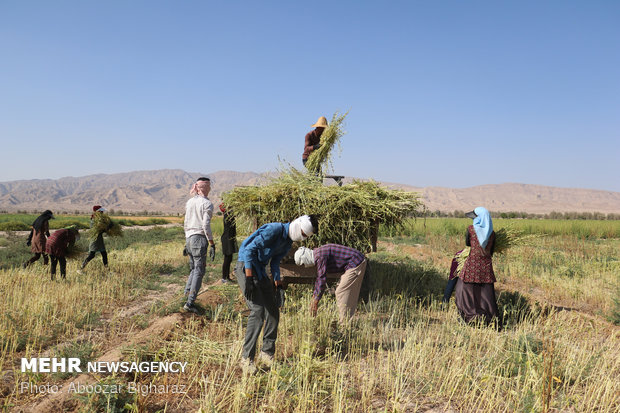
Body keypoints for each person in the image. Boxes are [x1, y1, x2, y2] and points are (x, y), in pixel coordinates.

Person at [235, 214, 319, 372]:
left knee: (273, 311)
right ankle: (246, 359)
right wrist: (248, 278)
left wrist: (278, 284)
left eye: (305, 237)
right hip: (246, 266)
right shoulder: (274, 229)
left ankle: (267, 353)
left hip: (260, 270)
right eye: (302, 233)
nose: (301, 238)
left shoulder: (287, 243)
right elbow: (248, 250)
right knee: (257, 311)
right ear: (297, 224)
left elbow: (274, 263)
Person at [294, 244, 368, 322]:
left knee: (341, 291)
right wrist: (315, 297)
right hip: (355, 261)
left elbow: (321, 279)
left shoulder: (320, 256)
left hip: (355, 262)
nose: (305, 265)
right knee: (342, 290)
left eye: (303, 263)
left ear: (305, 258)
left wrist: (315, 301)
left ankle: (344, 325)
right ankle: (347, 320)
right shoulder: (319, 253)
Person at [454, 207, 500, 327]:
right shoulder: (493, 234)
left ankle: (470, 317)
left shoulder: (471, 229)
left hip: (472, 266)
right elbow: (492, 250)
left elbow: (468, 243)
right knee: (485, 294)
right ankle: (488, 319)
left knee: (463, 290)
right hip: (486, 267)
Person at [183, 177, 216, 314]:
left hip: (189, 238)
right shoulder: (207, 204)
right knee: (199, 270)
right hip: (199, 239)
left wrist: (186, 241)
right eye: (209, 187)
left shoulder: (190, 202)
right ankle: (190, 302)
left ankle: (185, 296)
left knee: (193, 269)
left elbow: (185, 222)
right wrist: (211, 243)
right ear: (205, 188)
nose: (210, 189)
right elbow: (205, 225)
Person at [81, 205, 109, 271]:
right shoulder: (94, 220)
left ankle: (107, 268)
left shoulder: (98, 219)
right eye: (101, 211)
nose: (102, 212)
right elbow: (99, 229)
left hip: (99, 239)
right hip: (95, 239)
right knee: (92, 255)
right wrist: (107, 228)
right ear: (97, 212)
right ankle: (81, 267)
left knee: (104, 254)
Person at [219, 204, 237, 283]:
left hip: (229, 238)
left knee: (229, 258)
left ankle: (227, 276)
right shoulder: (227, 216)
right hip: (227, 239)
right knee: (227, 258)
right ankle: (224, 277)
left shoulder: (229, 215)